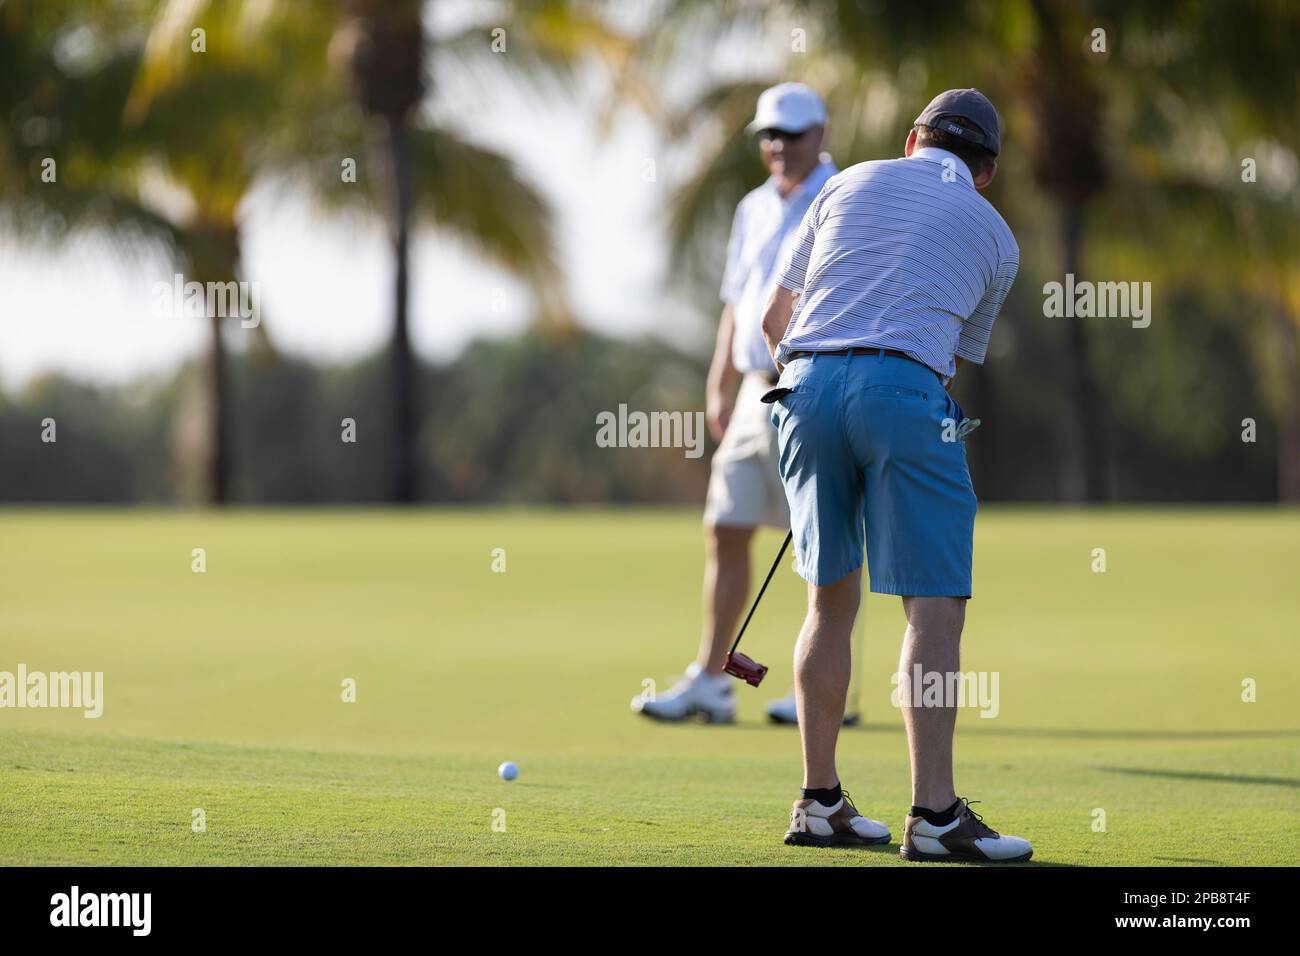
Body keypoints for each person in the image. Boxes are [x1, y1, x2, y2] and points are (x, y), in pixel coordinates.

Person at [759, 89, 1033, 861]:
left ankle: (819, 802)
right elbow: (952, 360)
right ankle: (936, 817)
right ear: (986, 172)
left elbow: (773, 319)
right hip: (906, 392)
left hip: (802, 387)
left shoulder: (844, 183)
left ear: (914, 139)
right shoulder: (997, 235)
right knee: (934, 608)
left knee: (828, 600)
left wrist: (816, 396)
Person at [632, 83, 862, 726]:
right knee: (724, 528)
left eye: (791, 134)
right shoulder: (753, 207)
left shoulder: (843, 196)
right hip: (754, 388)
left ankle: (830, 691)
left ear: (820, 134)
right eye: (769, 136)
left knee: (825, 541)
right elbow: (737, 303)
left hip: (812, 385)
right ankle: (711, 679)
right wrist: (718, 384)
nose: (778, 147)